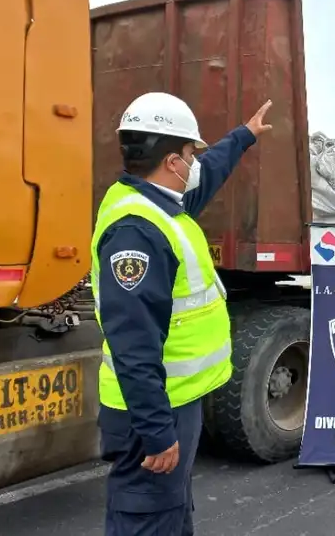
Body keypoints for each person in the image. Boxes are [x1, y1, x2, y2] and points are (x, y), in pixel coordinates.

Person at [90, 91, 273, 536]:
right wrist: (156, 431)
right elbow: (133, 345)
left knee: (169, 511)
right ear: (172, 162)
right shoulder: (137, 232)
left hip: (173, 399)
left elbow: (209, 175)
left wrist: (243, 136)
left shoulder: (155, 204)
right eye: (191, 155)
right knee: (148, 517)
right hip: (152, 409)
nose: (195, 165)